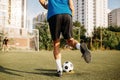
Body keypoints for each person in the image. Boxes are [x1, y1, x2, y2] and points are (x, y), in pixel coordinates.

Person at [39, 0, 91, 77]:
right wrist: (71, 14)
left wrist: (46, 6)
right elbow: (71, 5)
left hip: (54, 14)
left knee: (56, 43)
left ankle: (59, 69)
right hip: (67, 13)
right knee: (70, 40)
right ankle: (81, 47)